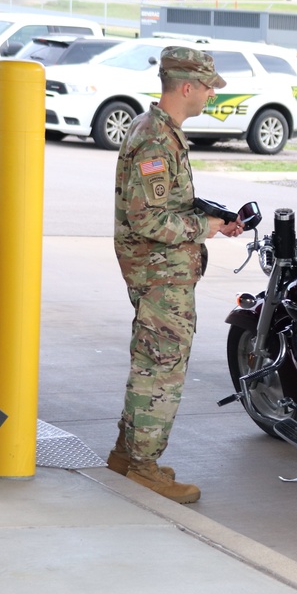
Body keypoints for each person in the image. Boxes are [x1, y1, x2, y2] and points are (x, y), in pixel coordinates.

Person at [107, 46, 243, 504]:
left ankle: (127, 454)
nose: (209, 94)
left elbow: (165, 205)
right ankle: (143, 467)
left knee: (151, 360)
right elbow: (147, 218)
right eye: (207, 87)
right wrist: (205, 227)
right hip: (160, 274)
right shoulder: (155, 140)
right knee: (160, 369)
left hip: (163, 272)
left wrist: (212, 218)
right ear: (187, 87)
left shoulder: (160, 133)